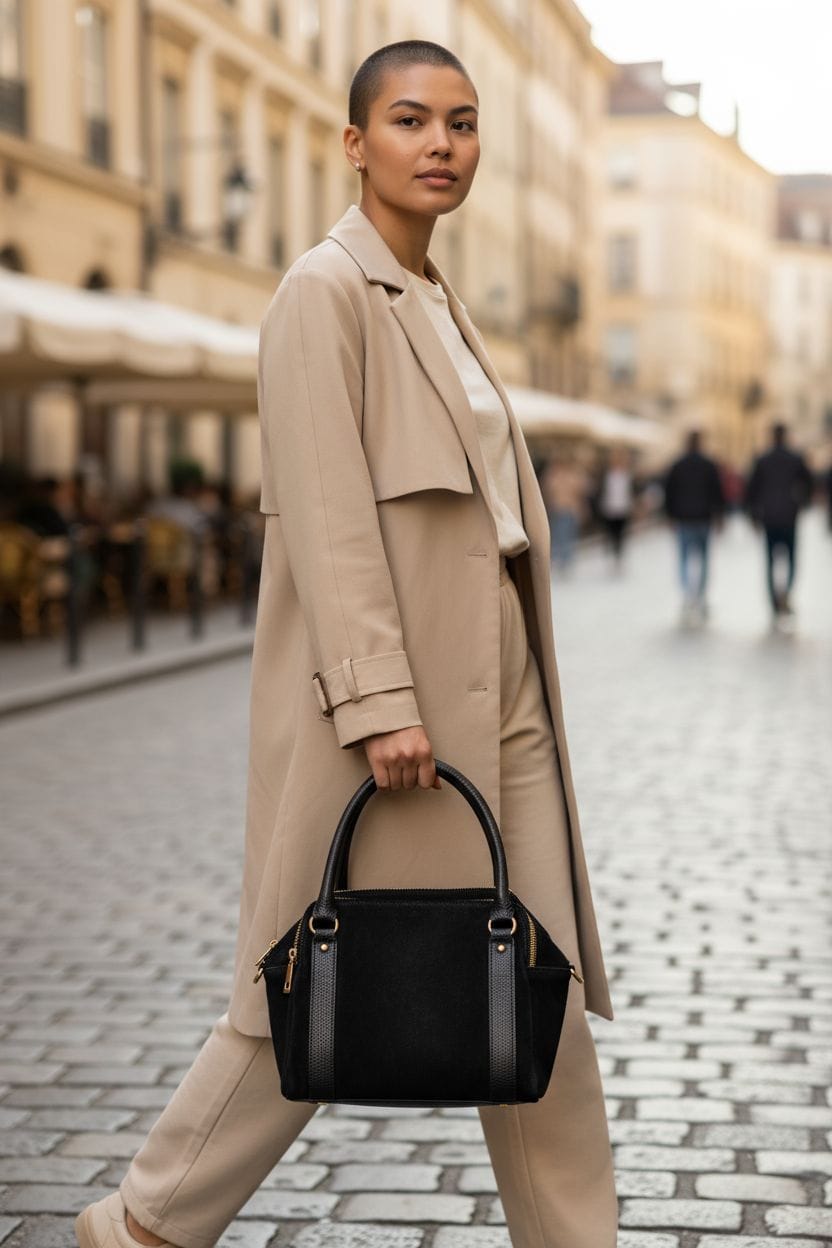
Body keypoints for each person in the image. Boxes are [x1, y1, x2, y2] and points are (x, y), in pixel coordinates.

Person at [75, 40, 617, 1248]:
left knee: (537, 984)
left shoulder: (436, 299)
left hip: (505, 696)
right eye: (413, 120)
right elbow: (323, 515)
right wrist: (379, 702)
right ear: (353, 142)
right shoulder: (324, 290)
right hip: (399, 709)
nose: (442, 144)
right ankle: (143, 1226)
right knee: (309, 981)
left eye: (463, 123)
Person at [744, 422, 813, 623]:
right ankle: (786, 594)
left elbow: (751, 490)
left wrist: (753, 516)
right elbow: (809, 483)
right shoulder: (795, 458)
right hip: (789, 516)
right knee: (791, 560)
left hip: (769, 517)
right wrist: (801, 503)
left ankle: (775, 601)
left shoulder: (762, 459)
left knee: (770, 562)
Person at [663, 430, 726, 623]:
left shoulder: (677, 464)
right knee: (704, 559)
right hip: (703, 518)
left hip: (683, 518)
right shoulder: (709, 465)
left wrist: (670, 516)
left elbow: (669, 492)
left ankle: (687, 595)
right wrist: (719, 517)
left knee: (684, 559)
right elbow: (717, 492)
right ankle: (700, 595)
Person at [540, 453, 587, 573]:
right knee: (558, 534)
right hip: (557, 509)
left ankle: (566, 559)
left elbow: (581, 489)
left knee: (567, 534)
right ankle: (558, 557)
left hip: (570, 509)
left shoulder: (573, 475)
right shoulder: (552, 475)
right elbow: (547, 489)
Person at [596, 445, 634, 570]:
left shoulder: (627, 475)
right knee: (611, 534)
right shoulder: (606, 475)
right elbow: (602, 491)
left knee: (620, 535)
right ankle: (613, 555)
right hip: (610, 508)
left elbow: (630, 492)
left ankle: (618, 557)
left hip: (623, 508)